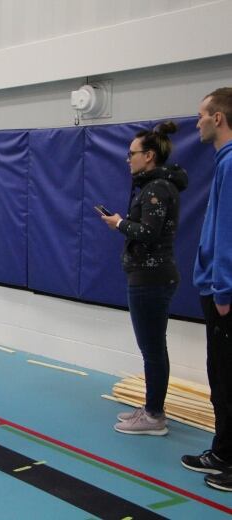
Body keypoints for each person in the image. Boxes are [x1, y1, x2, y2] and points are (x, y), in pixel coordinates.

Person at [99, 122, 187, 436]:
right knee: (151, 347)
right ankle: (152, 408)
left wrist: (120, 223)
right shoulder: (155, 186)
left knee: (152, 348)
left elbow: (148, 233)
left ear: (149, 156)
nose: (128, 159)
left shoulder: (157, 189)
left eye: (132, 154)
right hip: (147, 276)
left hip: (152, 277)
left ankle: (154, 416)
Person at [181, 87, 232, 491]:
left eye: (201, 114)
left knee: (229, 378)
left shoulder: (231, 165)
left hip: (225, 295)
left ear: (218, 118)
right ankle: (223, 449)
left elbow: (229, 234)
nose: (196, 121)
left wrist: (224, 291)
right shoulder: (223, 163)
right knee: (219, 376)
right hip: (216, 288)